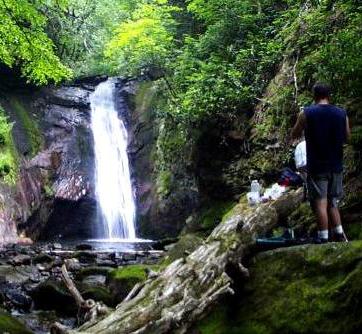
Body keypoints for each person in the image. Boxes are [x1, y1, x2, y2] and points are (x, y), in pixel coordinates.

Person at [291, 83, 351, 243]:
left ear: (314, 95)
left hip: (317, 166)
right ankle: (339, 234)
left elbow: (294, 134)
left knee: (320, 203)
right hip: (336, 164)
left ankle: (323, 237)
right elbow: (347, 137)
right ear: (329, 95)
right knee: (333, 202)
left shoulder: (306, 113)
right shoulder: (341, 113)